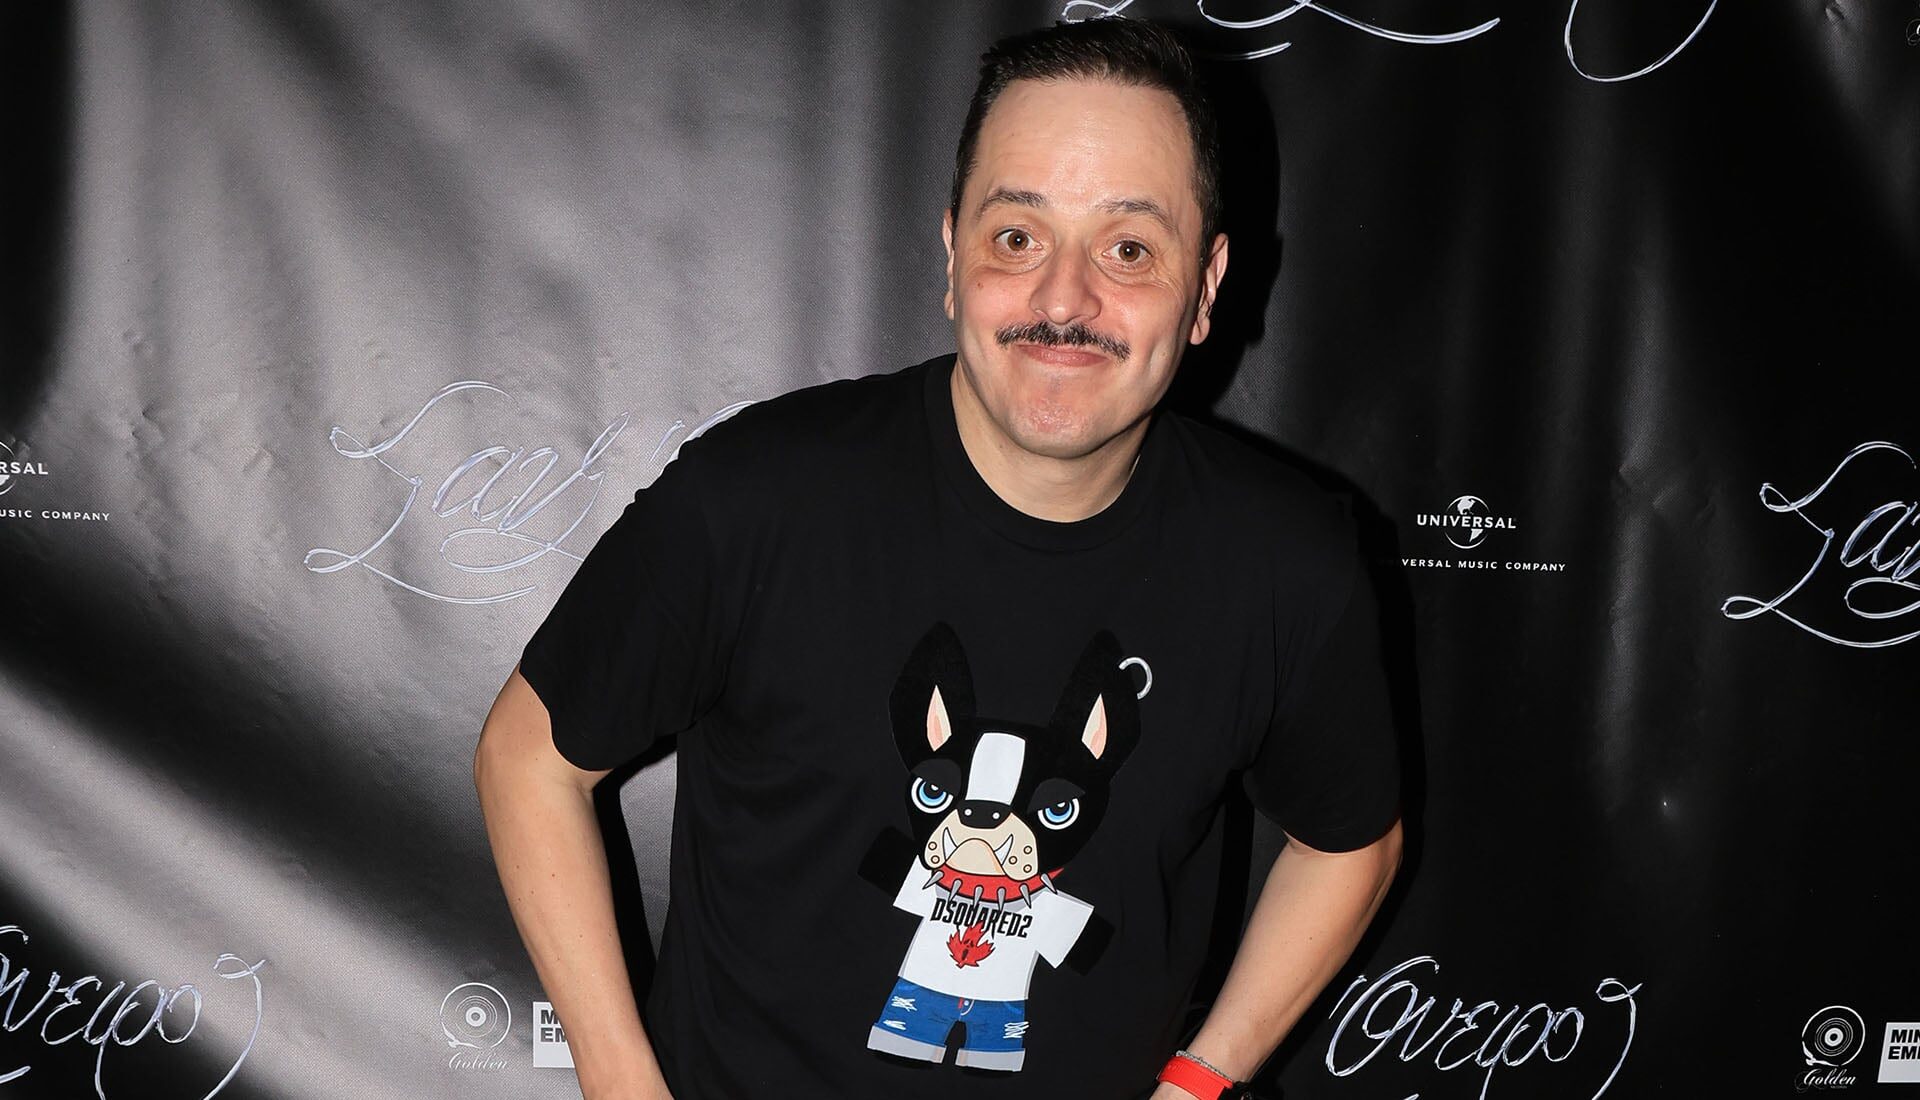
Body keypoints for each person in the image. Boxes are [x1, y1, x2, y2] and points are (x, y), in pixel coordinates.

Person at [475, 17, 1403, 1100]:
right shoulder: (758, 498)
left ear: (1206, 287)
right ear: (953, 256)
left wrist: (1204, 1079)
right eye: (1018, 236)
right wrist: (622, 1080)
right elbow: (529, 758)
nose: (1064, 299)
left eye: (1129, 249)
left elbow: (1353, 841)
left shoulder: (1287, 561)